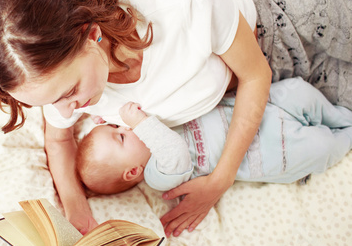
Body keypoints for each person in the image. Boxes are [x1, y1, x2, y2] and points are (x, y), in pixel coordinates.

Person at [0, 0, 352, 236]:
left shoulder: (183, 2)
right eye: (51, 104)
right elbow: (58, 138)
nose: (67, 111)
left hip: (290, 23)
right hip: (282, 89)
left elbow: (256, 75)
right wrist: (75, 205)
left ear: (92, 35)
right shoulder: (60, 88)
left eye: (68, 93)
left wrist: (220, 180)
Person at [76, 78, 352, 211]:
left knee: (299, 90)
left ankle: (342, 117)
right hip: (272, 149)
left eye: (115, 126)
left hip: (261, 108)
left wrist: (108, 115)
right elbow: (175, 151)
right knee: (321, 147)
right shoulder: (158, 175)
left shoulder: (153, 124)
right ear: (132, 172)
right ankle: (346, 135)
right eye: (119, 136)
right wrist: (140, 123)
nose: (124, 126)